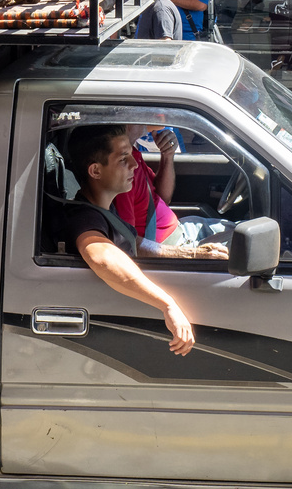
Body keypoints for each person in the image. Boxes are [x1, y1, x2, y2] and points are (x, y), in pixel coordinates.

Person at [52, 124, 226, 357]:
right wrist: (168, 305)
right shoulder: (86, 219)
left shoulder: (107, 207)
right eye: (124, 159)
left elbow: (136, 245)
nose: (134, 164)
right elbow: (101, 257)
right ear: (95, 171)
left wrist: (193, 254)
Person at [112, 125, 234, 248]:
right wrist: (191, 254)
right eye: (140, 113)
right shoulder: (122, 171)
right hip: (171, 246)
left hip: (181, 229)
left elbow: (163, 198)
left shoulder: (134, 155)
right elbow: (128, 242)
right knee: (247, 240)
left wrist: (167, 156)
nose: (147, 118)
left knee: (243, 230)